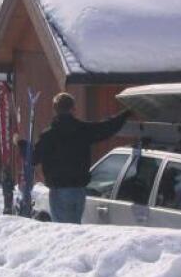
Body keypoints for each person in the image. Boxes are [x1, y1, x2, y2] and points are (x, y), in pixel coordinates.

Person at [17, 92, 131, 224]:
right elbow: (106, 127)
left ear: (55, 110)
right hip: (78, 190)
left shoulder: (49, 135)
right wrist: (125, 114)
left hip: (59, 190)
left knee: (64, 231)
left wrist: (22, 144)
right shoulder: (83, 130)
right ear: (73, 109)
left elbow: (33, 159)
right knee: (74, 226)